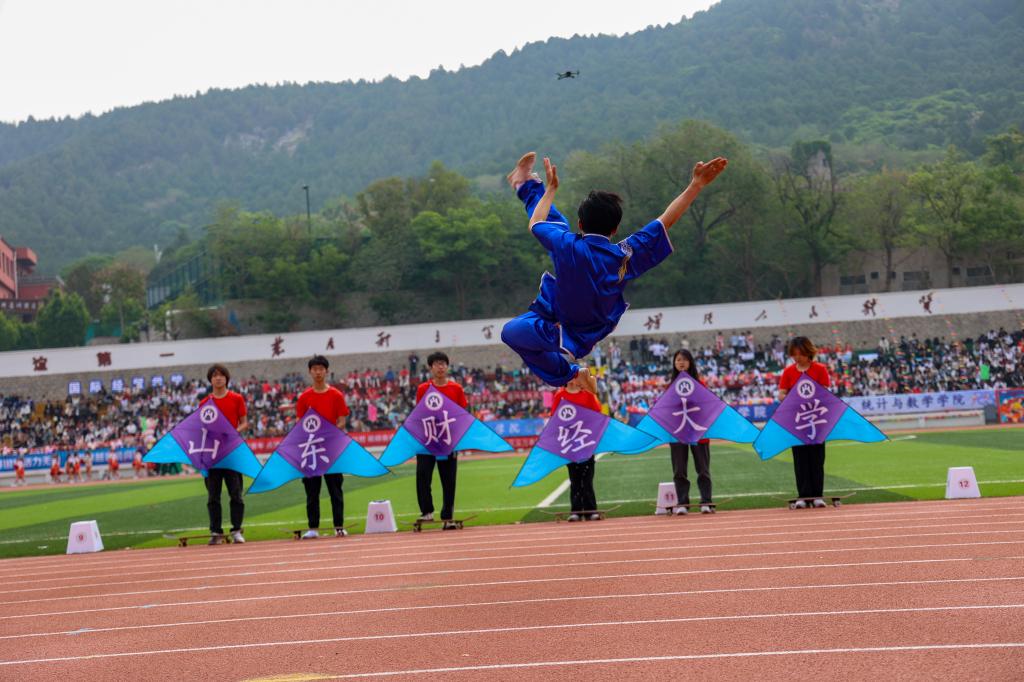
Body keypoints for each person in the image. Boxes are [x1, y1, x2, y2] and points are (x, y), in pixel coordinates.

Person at [501, 151, 727, 387]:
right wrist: (695, 185)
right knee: (553, 226)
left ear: (580, 224)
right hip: (575, 316)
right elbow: (666, 221)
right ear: (615, 229)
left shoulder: (568, 245)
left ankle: (569, 374)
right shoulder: (624, 255)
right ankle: (523, 183)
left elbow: (536, 223)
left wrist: (550, 190)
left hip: (574, 328)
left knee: (512, 332)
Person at [295, 355, 351, 539]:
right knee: (312, 491)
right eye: (315, 369)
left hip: (331, 450)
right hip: (311, 450)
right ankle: (313, 528)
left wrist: (327, 434)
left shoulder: (336, 395)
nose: (318, 372)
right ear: (310, 372)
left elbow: (342, 421)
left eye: (321, 369)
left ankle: (339, 526)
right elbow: (299, 423)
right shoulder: (304, 397)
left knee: (335, 489)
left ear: (327, 371)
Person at [414, 352, 466, 530]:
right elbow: (419, 414)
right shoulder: (423, 389)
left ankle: (447, 517)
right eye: (436, 364)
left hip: (448, 440)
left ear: (447, 366)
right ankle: (427, 511)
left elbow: (462, 415)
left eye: (443, 363)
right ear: (431, 368)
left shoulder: (456, 389)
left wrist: (457, 437)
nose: (440, 367)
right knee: (423, 476)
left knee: (448, 480)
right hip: (428, 440)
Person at [778, 337, 831, 508]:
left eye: (800, 354)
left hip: (817, 421)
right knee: (800, 460)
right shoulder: (788, 372)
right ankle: (803, 495)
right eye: (794, 354)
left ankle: (817, 496)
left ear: (808, 352)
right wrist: (792, 398)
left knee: (817, 459)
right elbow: (781, 394)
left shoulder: (820, 369)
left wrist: (812, 398)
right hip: (797, 422)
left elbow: (825, 392)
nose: (797, 357)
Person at [199, 364, 249, 544]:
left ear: (227, 378)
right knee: (213, 496)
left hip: (232, 454)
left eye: (221, 375)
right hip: (212, 455)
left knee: (236, 493)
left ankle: (236, 530)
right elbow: (201, 428)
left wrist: (233, 432)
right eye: (214, 375)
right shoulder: (205, 403)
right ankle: (216, 532)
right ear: (210, 380)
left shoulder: (236, 398)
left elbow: (244, 423)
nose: (218, 378)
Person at [550, 371, 602, 521]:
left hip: (586, 442)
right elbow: (555, 418)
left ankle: (591, 511)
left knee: (587, 478)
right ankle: (576, 512)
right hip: (569, 444)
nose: (574, 379)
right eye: (571, 376)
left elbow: (597, 415)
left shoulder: (588, 395)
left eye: (576, 376)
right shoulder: (560, 396)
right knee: (574, 479)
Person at [668, 349, 713, 515]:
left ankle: (706, 502)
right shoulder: (670, 387)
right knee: (679, 470)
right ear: (674, 363)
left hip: (698, 432)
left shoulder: (700, 385)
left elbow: (709, 406)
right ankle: (682, 503)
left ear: (690, 363)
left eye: (685, 360)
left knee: (703, 469)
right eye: (678, 360)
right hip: (678, 433)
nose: (681, 363)